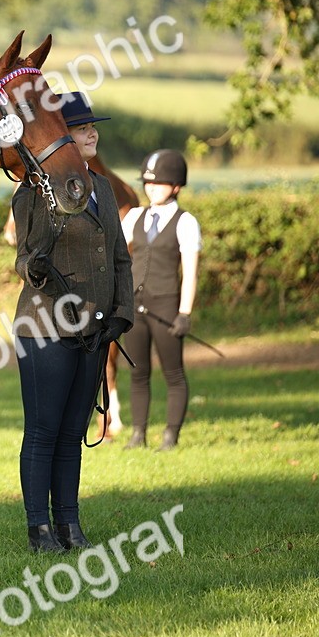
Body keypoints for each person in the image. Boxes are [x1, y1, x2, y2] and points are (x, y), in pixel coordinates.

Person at [12, 92, 135, 553]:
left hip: (95, 329)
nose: (92, 134)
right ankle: (38, 529)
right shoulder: (31, 192)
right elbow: (24, 257)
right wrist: (35, 269)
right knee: (43, 432)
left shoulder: (102, 188)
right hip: (45, 327)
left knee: (71, 434)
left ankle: (70, 525)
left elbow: (120, 257)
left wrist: (122, 314)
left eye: (92, 127)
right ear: (61, 136)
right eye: (82, 128)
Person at [121, 149, 201, 451]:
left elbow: (190, 272)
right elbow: (119, 256)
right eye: (148, 183)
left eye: (159, 183)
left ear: (176, 186)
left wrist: (185, 312)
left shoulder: (186, 222)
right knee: (138, 372)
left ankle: (170, 435)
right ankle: (138, 434)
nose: (151, 188)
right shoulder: (135, 217)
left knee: (173, 373)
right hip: (135, 307)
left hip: (167, 305)